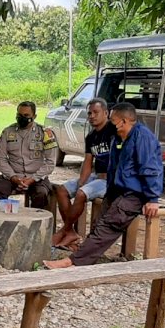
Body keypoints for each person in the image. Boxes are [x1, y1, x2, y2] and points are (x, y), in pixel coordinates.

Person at [43, 102, 163, 269]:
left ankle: (72, 262)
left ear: (123, 121)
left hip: (135, 193)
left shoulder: (143, 138)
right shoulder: (119, 137)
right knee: (99, 222)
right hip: (117, 189)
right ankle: (86, 257)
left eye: (112, 120)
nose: (110, 124)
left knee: (110, 224)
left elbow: (151, 169)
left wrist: (152, 198)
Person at [52, 98, 116, 248]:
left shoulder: (113, 131)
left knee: (81, 194)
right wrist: (82, 180)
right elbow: (88, 161)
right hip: (97, 176)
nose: (92, 116)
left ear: (106, 113)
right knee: (61, 190)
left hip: (110, 180)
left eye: (96, 112)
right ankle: (71, 232)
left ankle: (65, 230)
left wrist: (83, 187)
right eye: (89, 113)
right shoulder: (91, 136)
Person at [0, 101, 57, 209]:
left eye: (26, 115)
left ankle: (34, 223)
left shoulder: (45, 133)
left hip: (36, 177)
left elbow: (50, 162)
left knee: (41, 193)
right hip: (12, 176)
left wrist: (32, 179)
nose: (22, 118)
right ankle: (6, 222)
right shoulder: (7, 132)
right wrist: (14, 177)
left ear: (34, 116)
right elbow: (1, 159)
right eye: (19, 115)